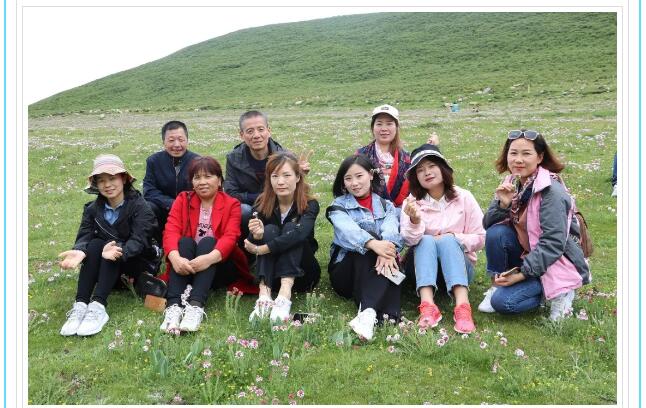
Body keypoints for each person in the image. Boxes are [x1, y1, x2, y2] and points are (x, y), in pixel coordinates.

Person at [479, 130, 591, 321]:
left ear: (540, 157)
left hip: (555, 262)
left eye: (526, 153)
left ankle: (560, 291)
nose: (518, 160)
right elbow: (487, 225)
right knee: (496, 233)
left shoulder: (551, 191)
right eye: (513, 153)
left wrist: (521, 275)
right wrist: (503, 205)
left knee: (503, 303)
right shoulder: (513, 183)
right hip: (528, 252)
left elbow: (553, 244)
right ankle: (497, 285)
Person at [58, 154, 158, 336]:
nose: (107, 185)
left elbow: (139, 241)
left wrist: (118, 251)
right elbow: (85, 235)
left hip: (135, 265)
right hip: (106, 269)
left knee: (109, 247)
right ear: (96, 184)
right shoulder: (92, 209)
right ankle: (80, 304)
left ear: (124, 179)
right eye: (101, 180)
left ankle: (98, 305)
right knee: (95, 244)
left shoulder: (141, 207)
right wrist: (80, 250)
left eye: (112, 178)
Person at [159, 156, 254, 333]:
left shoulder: (231, 204)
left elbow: (230, 237)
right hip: (187, 265)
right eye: (197, 177)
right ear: (192, 182)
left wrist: (208, 259)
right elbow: (170, 230)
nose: (202, 182)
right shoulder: (183, 199)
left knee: (209, 242)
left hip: (219, 267)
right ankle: (173, 307)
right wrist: (175, 257)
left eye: (208, 176)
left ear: (219, 180)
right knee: (184, 242)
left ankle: (195, 306)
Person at [400, 144, 484, 334]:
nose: (427, 173)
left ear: (443, 168)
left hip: (460, 269)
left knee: (447, 240)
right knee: (425, 240)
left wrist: (453, 238)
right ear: (415, 177)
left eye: (432, 166)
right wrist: (415, 221)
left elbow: (480, 237)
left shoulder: (464, 197)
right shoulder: (411, 202)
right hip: (421, 270)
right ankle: (427, 306)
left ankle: (463, 307)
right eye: (420, 170)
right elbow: (409, 241)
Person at [326, 155, 404, 341]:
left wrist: (386, 251)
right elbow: (349, 232)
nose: (354, 183)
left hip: (377, 269)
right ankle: (387, 312)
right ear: (343, 182)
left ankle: (369, 314)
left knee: (386, 250)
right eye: (348, 178)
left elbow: (392, 232)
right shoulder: (337, 206)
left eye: (359, 176)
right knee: (369, 243)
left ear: (370, 175)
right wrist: (375, 245)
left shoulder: (386, 206)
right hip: (346, 275)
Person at [244, 152, 320, 322]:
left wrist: (262, 248)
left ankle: (284, 297)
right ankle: (264, 296)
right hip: (272, 276)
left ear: (298, 177)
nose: (280, 182)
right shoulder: (262, 203)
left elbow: (300, 234)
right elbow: (250, 241)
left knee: (292, 229)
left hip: (302, 273)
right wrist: (257, 235)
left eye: (286, 175)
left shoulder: (310, 204)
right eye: (275, 176)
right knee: (269, 230)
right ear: (269, 179)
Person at [224, 110, 310, 243]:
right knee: (242, 210)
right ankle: (246, 248)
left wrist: (300, 175)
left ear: (269, 131)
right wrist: (262, 198)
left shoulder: (285, 156)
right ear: (241, 135)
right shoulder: (233, 158)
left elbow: (297, 191)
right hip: (249, 207)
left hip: (277, 204)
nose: (256, 135)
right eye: (250, 131)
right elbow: (230, 193)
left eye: (260, 129)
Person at [356, 105, 439, 210]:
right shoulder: (361, 155)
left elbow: (424, 178)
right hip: (367, 211)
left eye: (389, 123)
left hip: (402, 212)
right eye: (379, 124)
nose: (384, 129)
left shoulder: (407, 158)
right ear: (373, 127)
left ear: (396, 127)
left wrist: (431, 148)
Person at [143, 120, 199, 239]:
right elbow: (149, 191)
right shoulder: (153, 161)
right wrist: (172, 204)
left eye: (181, 140)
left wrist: (186, 204)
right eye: (171, 140)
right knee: (147, 207)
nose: (177, 145)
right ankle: (155, 241)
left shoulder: (197, 161)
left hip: (190, 210)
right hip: (164, 209)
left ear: (187, 140)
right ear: (163, 142)